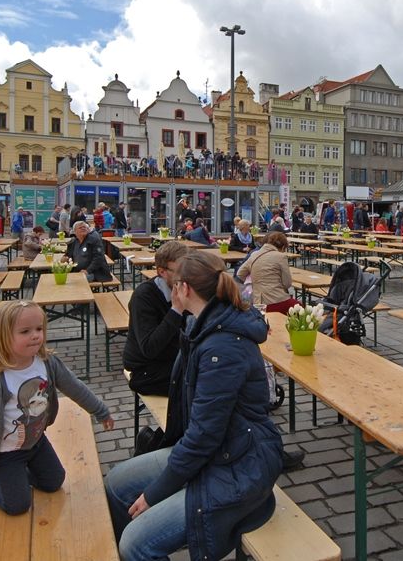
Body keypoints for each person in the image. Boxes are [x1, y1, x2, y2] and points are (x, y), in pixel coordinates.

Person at [105, 251, 283, 561]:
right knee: (116, 484)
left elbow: (204, 437)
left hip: (239, 465)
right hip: (218, 450)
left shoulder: (221, 346)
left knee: (136, 543)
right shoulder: (202, 324)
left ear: (183, 289)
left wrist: (156, 493)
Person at [0, 301, 114, 515]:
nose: (36, 335)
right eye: (25, 331)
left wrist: (100, 411)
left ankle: (15, 477)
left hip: (36, 442)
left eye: (39, 329)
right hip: (6, 453)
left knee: (54, 482)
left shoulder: (47, 362)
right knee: (18, 506)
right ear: (3, 337)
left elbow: (75, 387)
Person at [123, 242, 191, 396]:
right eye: (181, 270)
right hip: (147, 371)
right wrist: (176, 310)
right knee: (207, 385)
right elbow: (149, 348)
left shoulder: (185, 286)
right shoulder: (144, 296)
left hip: (176, 360)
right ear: (162, 271)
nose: (188, 275)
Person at [236, 232, 297, 314]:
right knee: (301, 310)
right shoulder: (280, 256)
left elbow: (240, 275)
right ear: (283, 247)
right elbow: (287, 283)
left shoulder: (254, 255)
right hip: (276, 300)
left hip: (257, 302)